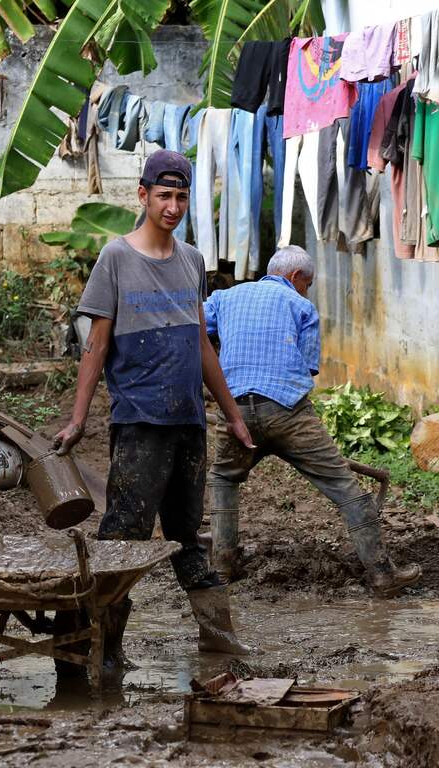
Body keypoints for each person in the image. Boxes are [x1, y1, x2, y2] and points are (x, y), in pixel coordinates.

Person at [52, 149, 257, 679]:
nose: (172, 206)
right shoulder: (115, 259)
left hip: (188, 421)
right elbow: (95, 347)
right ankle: (93, 649)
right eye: (163, 196)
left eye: (181, 196)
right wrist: (77, 420)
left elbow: (201, 344)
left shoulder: (191, 261)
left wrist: (231, 413)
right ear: (142, 196)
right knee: (123, 538)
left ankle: (221, 646)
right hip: (140, 421)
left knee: (189, 538)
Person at [204, 245, 421, 596]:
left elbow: (196, 328)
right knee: (344, 487)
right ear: (295, 278)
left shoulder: (225, 298)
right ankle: (383, 575)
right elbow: (307, 368)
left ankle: (223, 566)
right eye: (309, 283)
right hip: (288, 413)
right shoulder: (302, 307)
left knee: (224, 479)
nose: (308, 290)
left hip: (236, 411)